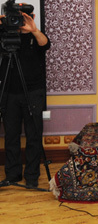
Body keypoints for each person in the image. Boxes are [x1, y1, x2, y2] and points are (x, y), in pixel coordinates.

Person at [0, 12, 50, 188]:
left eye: (23, 18)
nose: (19, 22)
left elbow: (45, 44)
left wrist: (34, 30)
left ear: (32, 17)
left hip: (33, 92)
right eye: (15, 18)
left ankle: (31, 177)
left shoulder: (34, 36)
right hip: (9, 92)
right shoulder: (4, 35)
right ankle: (12, 175)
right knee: (11, 136)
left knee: (33, 135)